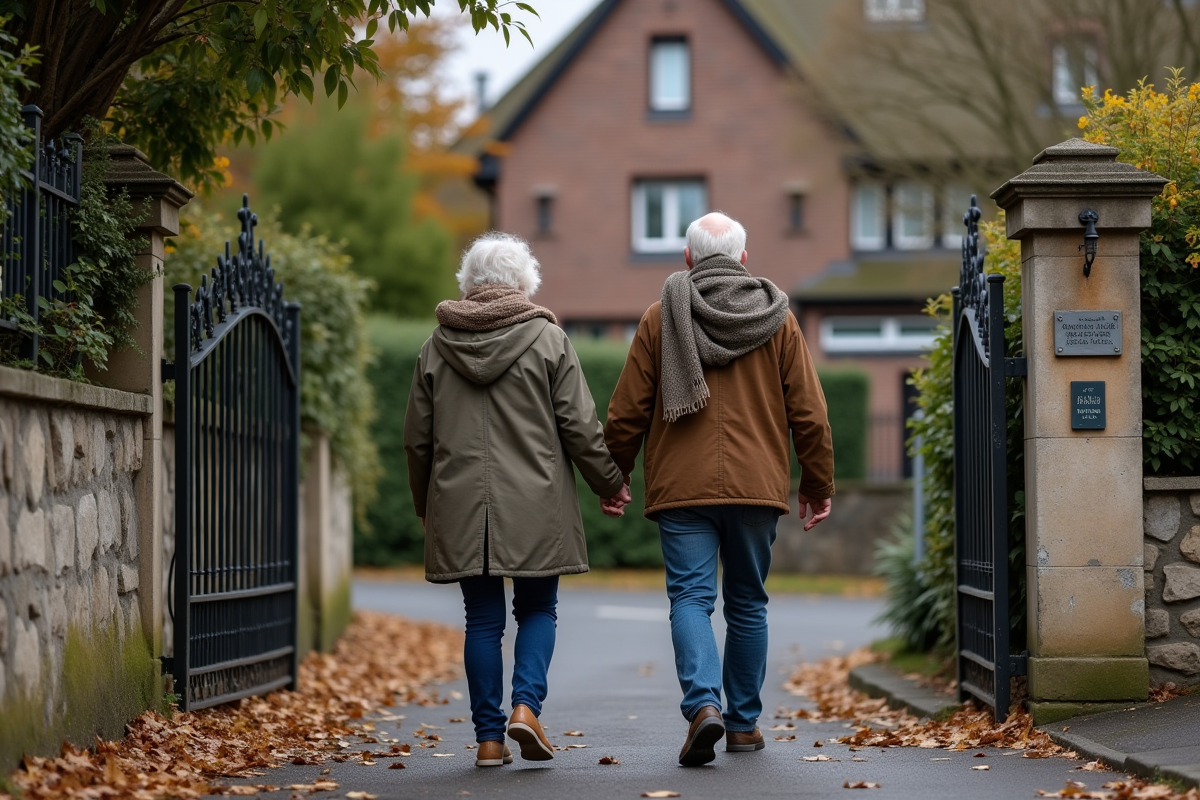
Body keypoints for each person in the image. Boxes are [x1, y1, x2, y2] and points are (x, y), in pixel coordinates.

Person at [604, 212, 835, 767]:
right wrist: (817, 483)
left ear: (687, 258)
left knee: (691, 598)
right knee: (748, 603)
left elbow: (627, 411)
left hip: (683, 488)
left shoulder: (661, 317)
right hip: (756, 487)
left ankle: (703, 705)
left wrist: (613, 475)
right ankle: (742, 725)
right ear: (743, 259)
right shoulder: (778, 317)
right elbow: (810, 414)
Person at [404, 232, 632, 768]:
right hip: (537, 503)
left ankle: (488, 739)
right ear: (524, 282)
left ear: (469, 283)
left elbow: (417, 439)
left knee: (481, 620)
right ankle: (526, 709)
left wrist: (426, 506)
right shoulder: (549, 341)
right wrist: (610, 483)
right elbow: (579, 425)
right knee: (538, 609)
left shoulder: (436, 346)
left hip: (460, 505)